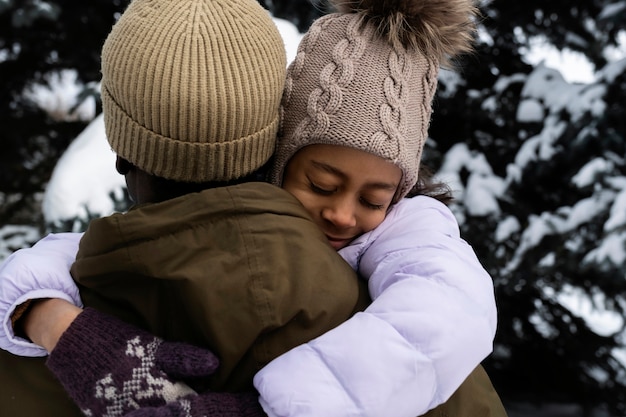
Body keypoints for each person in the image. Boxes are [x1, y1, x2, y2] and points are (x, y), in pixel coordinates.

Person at [0, 0, 506, 416]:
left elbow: (446, 308)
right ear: (277, 153)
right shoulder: (450, 386)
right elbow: (56, 258)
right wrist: (49, 316)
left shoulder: (406, 248)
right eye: (321, 183)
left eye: (374, 200)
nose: (344, 216)